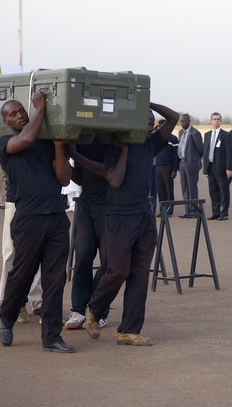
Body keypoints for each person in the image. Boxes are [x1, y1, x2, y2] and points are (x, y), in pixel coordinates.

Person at [84, 102, 179, 346]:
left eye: (150, 124)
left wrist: (147, 102)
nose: (149, 127)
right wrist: (124, 151)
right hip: (119, 217)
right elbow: (114, 180)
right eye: (143, 123)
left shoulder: (152, 143)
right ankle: (94, 310)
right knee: (118, 271)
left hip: (144, 215)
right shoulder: (114, 146)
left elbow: (173, 117)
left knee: (139, 275)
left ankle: (129, 331)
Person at [0, 91, 74, 353]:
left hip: (56, 218)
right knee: (22, 275)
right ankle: (7, 319)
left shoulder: (45, 143)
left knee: (54, 280)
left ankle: (51, 337)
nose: (19, 115)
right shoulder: (5, 143)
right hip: (28, 220)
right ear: (6, 122)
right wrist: (41, 107)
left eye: (22, 111)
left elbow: (64, 180)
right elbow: (27, 137)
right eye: (13, 114)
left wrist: (59, 147)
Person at [63, 135, 110, 330]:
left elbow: (107, 172)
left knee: (108, 260)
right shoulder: (82, 136)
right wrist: (66, 158)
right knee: (82, 257)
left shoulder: (111, 136)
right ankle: (79, 310)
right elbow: (81, 177)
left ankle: (97, 310)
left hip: (110, 203)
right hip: (86, 202)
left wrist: (74, 154)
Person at [0, 173, 43, 323]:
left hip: (42, 197)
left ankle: (39, 301)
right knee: (11, 252)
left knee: (44, 250)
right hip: (16, 197)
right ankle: (10, 301)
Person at [203, 112, 232, 220]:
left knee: (223, 191)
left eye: (218, 119)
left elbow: (229, 153)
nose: (216, 121)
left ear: (221, 121)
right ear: (210, 121)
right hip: (210, 167)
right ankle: (215, 212)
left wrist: (229, 168)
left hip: (221, 167)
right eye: (214, 119)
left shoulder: (226, 135)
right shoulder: (207, 135)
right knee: (213, 191)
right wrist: (205, 169)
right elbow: (205, 152)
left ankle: (224, 213)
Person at [177, 114, 203, 218]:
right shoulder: (180, 132)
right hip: (182, 163)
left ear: (189, 121)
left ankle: (194, 211)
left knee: (192, 188)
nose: (182, 123)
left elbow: (201, 148)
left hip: (191, 163)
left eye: (184, 121)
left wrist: (194, 159)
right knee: (185, 188)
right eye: (181, 122)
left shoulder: (195, 133)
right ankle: (187, 210)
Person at [154, 119, 179, 217]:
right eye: (159, 126)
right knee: (160, 189)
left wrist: (174, 169)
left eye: (162, 126)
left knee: (169, 189)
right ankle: (162, 210)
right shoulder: (157, 138)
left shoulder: (173, 139)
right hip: (158, 166)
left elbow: (175, 155)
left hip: (168, 166)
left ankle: (169, 210)